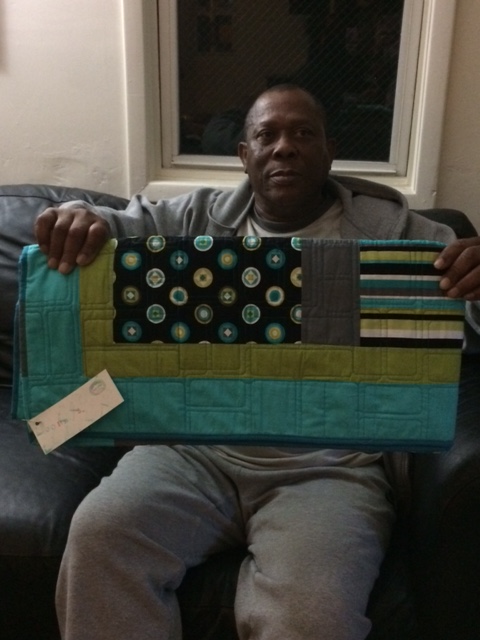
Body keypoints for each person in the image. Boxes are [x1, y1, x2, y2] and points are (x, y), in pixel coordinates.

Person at [36, 85, 480, 640]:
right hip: (192, 451)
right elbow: (119, 227)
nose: (284, 147)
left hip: (331, 469)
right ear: (245, 156)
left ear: (330, 152)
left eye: (303, 134)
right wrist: (77, 214)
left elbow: (463, 326)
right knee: (100, 539)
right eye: (267, 135)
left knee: (312, 618)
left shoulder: (401, 235)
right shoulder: (194, 217)